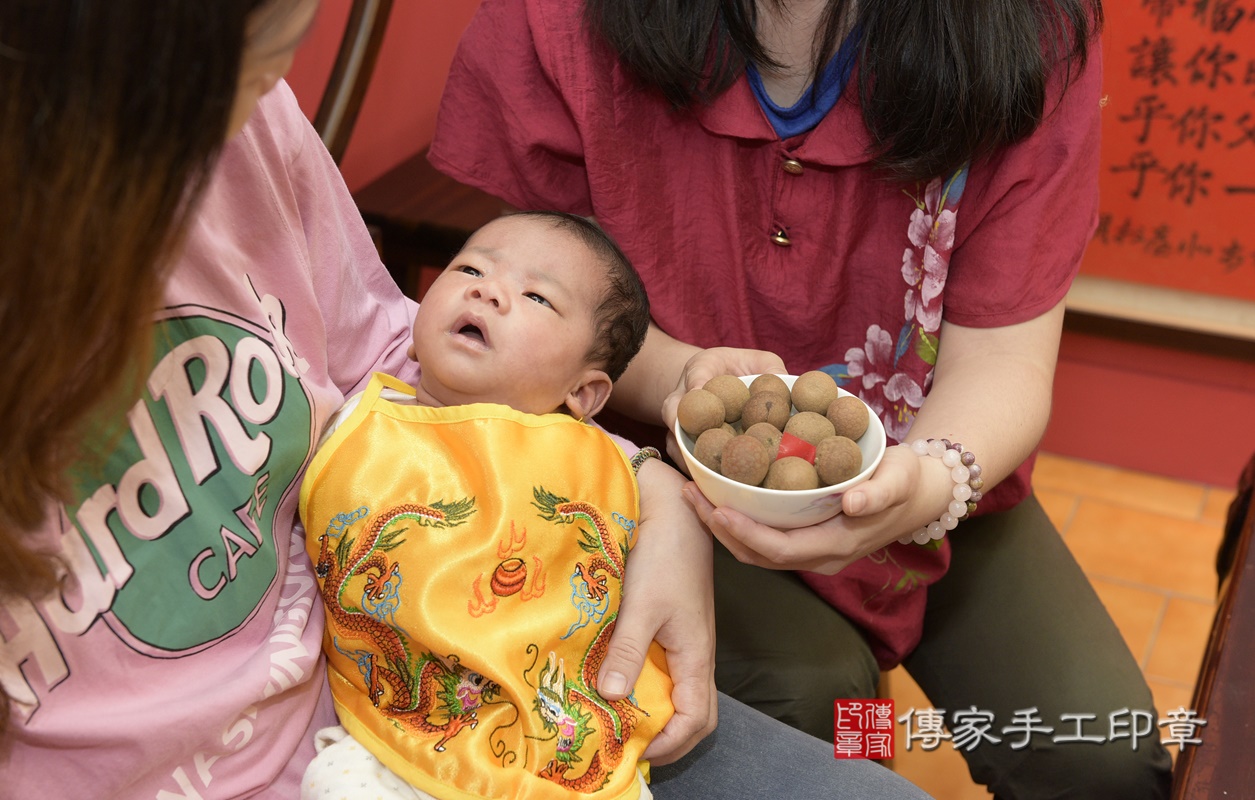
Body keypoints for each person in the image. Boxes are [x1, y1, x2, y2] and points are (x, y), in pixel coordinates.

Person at [0, 2, 932, 798]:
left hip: (436, 688)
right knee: (819, 682)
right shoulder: (561, 42)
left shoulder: (257, 125)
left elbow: (385, 344)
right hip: (364, 735)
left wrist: (649, 483)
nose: (256, 113)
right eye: (475, 269)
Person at [427, 0, 1175, 797]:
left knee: (1099, 756)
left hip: (935, 456)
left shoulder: (1032, 28)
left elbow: (1002, 356)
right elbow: (544, 306)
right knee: (818, 694)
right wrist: (685, 377)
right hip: (647, 464)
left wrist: (930, 481)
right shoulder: (559, 21)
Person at [299, 210, 670, 800]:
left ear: (584, 392)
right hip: (403, 743)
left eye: (537, 296)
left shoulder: (603, 463)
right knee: (336, 784)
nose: (487, 289)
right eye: (469, 267)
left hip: (567, 740)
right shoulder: (349, 420)